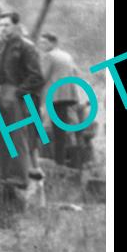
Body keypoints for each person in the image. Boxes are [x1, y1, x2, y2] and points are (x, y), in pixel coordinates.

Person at [0, 11, 45, 226]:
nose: (2, 28)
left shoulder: (25, 46)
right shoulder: (1, 46)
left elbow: (36, 77)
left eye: (6, 25)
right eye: (0, 25)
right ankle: (4, 186)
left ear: (16, 25)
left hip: (15, 100)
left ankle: (17, 186)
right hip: (0, 98)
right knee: (2, 144)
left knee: (17, 142)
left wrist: (17, 93)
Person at [38, 32, 84, 168]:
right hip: (68, 95)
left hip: (54, 96)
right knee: (62, 130)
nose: (42, 45)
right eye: (41, 43)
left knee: (51, 129)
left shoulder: (49, 56)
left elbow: (42, 77)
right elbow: (76, 73)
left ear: (53, 43)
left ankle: (58, 161)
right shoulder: (67, 56)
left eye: (44, 43)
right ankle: (63, 161)